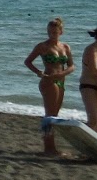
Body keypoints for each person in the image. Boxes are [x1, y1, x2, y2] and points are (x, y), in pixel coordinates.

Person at [24, 17, 75, 155]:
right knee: (50, 115)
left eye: (54, 32)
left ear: (61, 32)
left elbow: (71, 66)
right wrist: (38, 72)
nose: (52, 35)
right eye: (50, 32)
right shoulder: (43, 46)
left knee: (55, 115)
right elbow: (28, 61)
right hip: (48, 81)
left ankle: (51, 146)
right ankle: (48, 147)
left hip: (61, 80)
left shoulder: (65, 47)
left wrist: (63, 73)